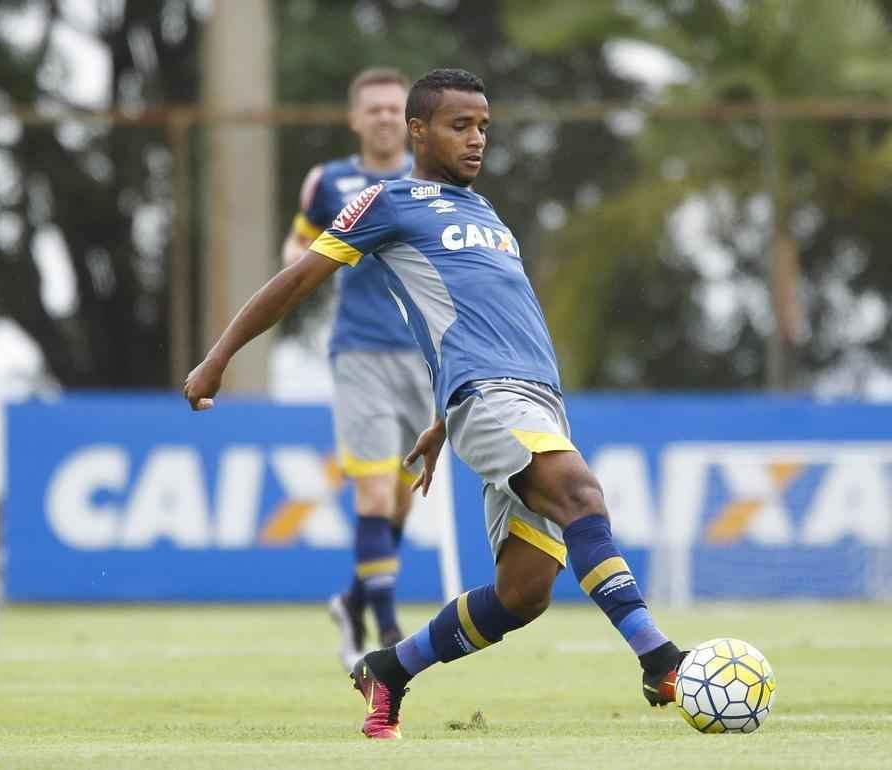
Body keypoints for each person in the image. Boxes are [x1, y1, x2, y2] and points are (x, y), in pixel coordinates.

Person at [184, 69, 684, 740]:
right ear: (418, 131)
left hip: (530, 402)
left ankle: (389, 668)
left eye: (484, 127)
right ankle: (660, 660)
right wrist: (218, 358)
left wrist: (443, 423)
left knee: (524, 593)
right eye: (460, 126)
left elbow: (485, 319)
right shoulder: (386, 201)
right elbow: (297, 280)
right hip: (490, 397)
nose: (477, 139)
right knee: (581, 496)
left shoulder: (486, 212)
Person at [280, 68, 430, 667]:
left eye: (394, 108)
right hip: (359, 352)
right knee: (371, 489)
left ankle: (352, 601)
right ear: (355, 118)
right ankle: (388, 630)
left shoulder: (430, 180)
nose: (385, 117)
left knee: (401, 498)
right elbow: (297, 248)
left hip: (424, 357)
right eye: (374, 109)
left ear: (410, 120)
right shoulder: (329, 181)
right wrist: (308, 263)